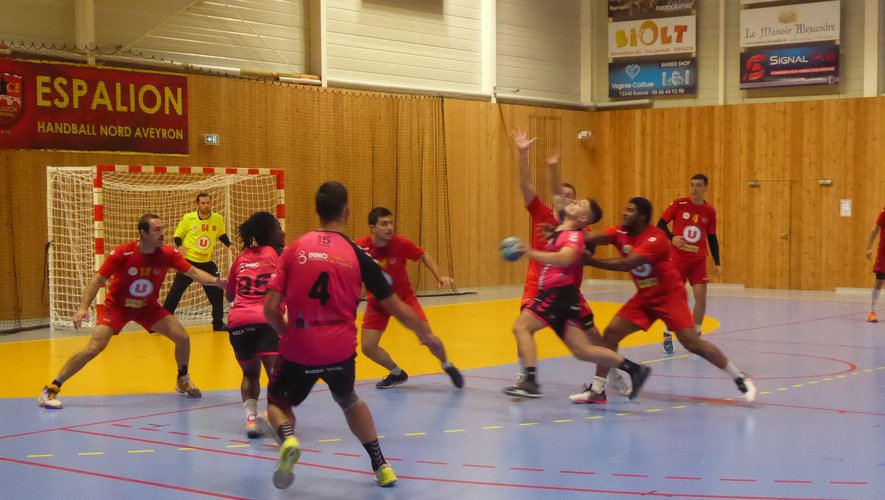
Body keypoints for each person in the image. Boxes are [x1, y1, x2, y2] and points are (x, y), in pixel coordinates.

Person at [263, 181, 439, 489]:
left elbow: (271, 309)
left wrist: (285, 333)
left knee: (277, 403)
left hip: (300, 347)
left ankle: (289, 442)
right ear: (346, 211)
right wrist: (425, 332)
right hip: (340, 351)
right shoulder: (358, 255)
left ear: (316, 211)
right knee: (348, 399)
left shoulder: (293, 249)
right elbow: (394, 304)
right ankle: (381, 465)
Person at [575, 197, 756, 403]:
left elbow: (628, 264)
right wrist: (563, 233)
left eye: (630, 210)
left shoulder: (656, 238)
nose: (625, 213)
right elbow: (591, 237)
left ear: (642, 216)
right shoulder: (620, 232)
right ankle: (598, 390)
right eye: (625, 209)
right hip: (644, 297)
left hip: (670, 296)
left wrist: (590, 261)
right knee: (611, 333)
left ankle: (740, 377)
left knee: (692, 343)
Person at [38, 214, 224, 409]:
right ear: (143, 233)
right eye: (157, 230)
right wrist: (83, 308)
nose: (162, 234)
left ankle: (182, 379)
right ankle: (51, 388)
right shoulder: (122, 253)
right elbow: (97, 280)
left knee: (182, 337)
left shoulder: (168, 253)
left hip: (147, 307)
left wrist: (216, 282)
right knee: (94, 347)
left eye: (163, 229)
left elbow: (193, 272)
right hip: (117, 307)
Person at [509, 129, 632, 398]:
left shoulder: (577, 234)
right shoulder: (541, 213)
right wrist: (522, 153)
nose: (566, 199)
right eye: (562, 195)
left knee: (593, 339)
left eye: (571, 197)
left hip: (568, 291)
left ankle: (611, 373)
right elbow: (526, 184)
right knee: (523, 327)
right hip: (537, 286)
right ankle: (524, 376)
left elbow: (569, 256)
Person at [502, 197, 651, 400]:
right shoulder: (563, 231)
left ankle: (529, 381)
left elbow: (566, 258)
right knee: (582, 351)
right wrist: (551, 237)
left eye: (580, 204)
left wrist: (531, 252)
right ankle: (634, 369)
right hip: (565, 297)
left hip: (557, 293)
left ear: (582, 217)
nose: (574, 202)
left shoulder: (574, 235)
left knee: (522, 327)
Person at [356, 207, 463, 389]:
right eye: (384, 224)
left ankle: (447, 365)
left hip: (404, 300)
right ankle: (397, 373)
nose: (390, 227)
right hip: (378, 304)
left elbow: (423, 256)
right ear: (372, 228)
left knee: (429, 339)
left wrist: (439, 276)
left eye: (391, 223)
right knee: (368, 347)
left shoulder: (400, 243)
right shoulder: (361, 247)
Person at [225, 211, 285, 438]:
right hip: (265, 320)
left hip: (239, 322)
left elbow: (230, 295)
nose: (281, 231)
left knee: (250, 374)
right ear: (270, 232)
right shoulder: (278, 254)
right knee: (276, 374)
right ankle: (273, 415)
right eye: (278, 227)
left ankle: (251, 419)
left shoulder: (241, 258)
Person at [657, 174, 721, 353]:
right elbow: (660, 224)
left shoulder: (709, 211)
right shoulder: (679, 204)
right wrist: (672, 238)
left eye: (698, 185)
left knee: (701, 296)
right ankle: (668, 333)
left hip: (698, 259)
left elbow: (712, 237)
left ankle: (697, 336)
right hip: (678, 259)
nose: (694, 188)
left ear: (705, 188)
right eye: (692, 185)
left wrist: (717, 261)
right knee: (675, 297)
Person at [163, 192, 236, 331]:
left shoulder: (217, 218)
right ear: (197, 204)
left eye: (208, 202)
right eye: (203, 203)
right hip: (189, 261)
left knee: (217, 290)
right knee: (175, 292)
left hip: (206, 262)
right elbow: (178, 235)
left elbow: (221, 233)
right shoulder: (188, 218)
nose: (206, 205)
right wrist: (180, 246)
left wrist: (230, 245)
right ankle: (162, 323)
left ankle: (218, 323)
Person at [864, 206, 885, 322]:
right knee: (879, 281)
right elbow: (875, 229)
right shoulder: (884, 212)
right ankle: (872, 311)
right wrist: (869, 248)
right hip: (884, 252)